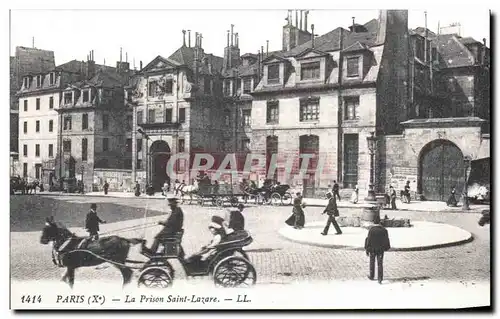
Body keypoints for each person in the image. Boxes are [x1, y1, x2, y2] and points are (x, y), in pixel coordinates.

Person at [364, 215, 391, 284]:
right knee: (380, 264)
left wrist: (367, 249)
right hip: (380, 250)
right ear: (379, 222)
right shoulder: (384, 230)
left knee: (372, 262)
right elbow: (386, 241)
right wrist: (386, 248)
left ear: (374, 222)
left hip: (372, 249)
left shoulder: (371, 230)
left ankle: (372, 276)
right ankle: (380, 278)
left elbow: (368, 240)